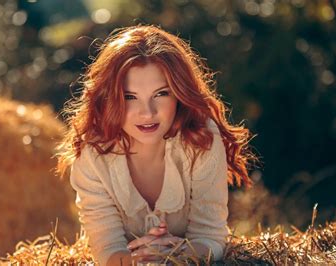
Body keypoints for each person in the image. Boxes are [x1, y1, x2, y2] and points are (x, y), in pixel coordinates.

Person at [56, 25, 255, 265]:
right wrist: (142, 261)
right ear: (109, 99)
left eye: (161, 94)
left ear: (179, 94)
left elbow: (210, 235)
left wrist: (178, 259)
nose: (148, 113)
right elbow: (106, 247)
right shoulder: (92, 153)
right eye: (130, 97)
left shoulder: (201, 139)